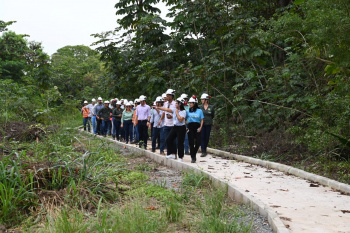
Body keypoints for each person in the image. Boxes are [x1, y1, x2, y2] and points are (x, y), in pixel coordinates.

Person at [156, 97, 187, 162]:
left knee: (180, 143)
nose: (175, 104)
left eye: (176, 103)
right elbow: (166, 109)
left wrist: (177, 112)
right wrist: (158, 108)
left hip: (181, 128)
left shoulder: (183, 111)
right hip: (175, 127)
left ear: (180, 104)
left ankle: (180, 157)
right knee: (169, 139)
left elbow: (181, 120)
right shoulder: (174, 110)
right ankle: (172, 153)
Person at [186, 96, 204, 163]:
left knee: (198, 142)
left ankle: (194, 153)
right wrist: (186, 126)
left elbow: (202, 120)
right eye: (189, 103)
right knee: (191, 143)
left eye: (191, 103)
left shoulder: (200, 111)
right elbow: (185, 119)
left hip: (197, 127)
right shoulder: (188, 111)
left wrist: (200, 127)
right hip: (190, 127)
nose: (190, 104)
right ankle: (193, 157)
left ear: (195, 103)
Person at [162, 89, 177, 156]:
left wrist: (172, 116)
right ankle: (169, 153)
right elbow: (164, 112)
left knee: (173, 140)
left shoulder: (175, 104)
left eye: (168, 96)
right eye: (166, 95)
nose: (167, 97)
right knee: (167, 139)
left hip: (172, 124)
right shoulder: (165, 104)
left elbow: (177, 113)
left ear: (171, 96)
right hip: (166, 124)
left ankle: (174, 153)